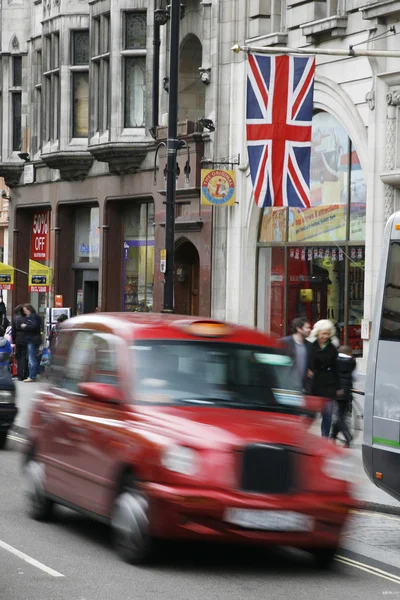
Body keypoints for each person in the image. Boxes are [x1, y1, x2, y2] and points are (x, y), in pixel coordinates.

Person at [307, 319, 341, 438]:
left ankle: (324, 439)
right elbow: (307, 363)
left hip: (328, 384)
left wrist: (339, 387)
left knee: (327, 415)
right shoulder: (311, 346)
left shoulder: (332, 348)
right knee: (311, 414)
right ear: (317, 333)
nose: (325, 336)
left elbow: (336, 368)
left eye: (327, 333)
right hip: (314, 384)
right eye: (323, 333)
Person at [330, 345, 357, 448]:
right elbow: (355, 377)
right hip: (347, 392)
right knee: (341, 415)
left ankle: (347, 437)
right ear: (349, 353)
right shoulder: (352, 362)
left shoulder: (334, 361)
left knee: (339, 416)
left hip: (337, 391)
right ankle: (333, 437)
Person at [280, 317, 312, 390]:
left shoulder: (309, 345)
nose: (310, 330)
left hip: (302, 387)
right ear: (299, 329)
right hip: (285, 385)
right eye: (307, 328)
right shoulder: (284, 342)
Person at [21, 304, 42, 383]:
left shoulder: (34, 317)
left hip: (32, 340)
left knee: (31, 359)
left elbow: (34, 326)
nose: (24, 311)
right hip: (31, 339)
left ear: (29, 309)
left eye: (25, 310)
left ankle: (32, 376)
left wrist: (25, 326)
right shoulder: (31, 317)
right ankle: (31, 375)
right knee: (31, 358)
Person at [11, 305, 28, 381]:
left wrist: (14, 341)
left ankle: (19, 374)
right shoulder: (27, 318)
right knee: (24, 356)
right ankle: (24, 375)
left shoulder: (15, 318)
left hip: (18, 338)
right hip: (26, 338)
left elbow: (13, 331)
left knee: (18, 356)